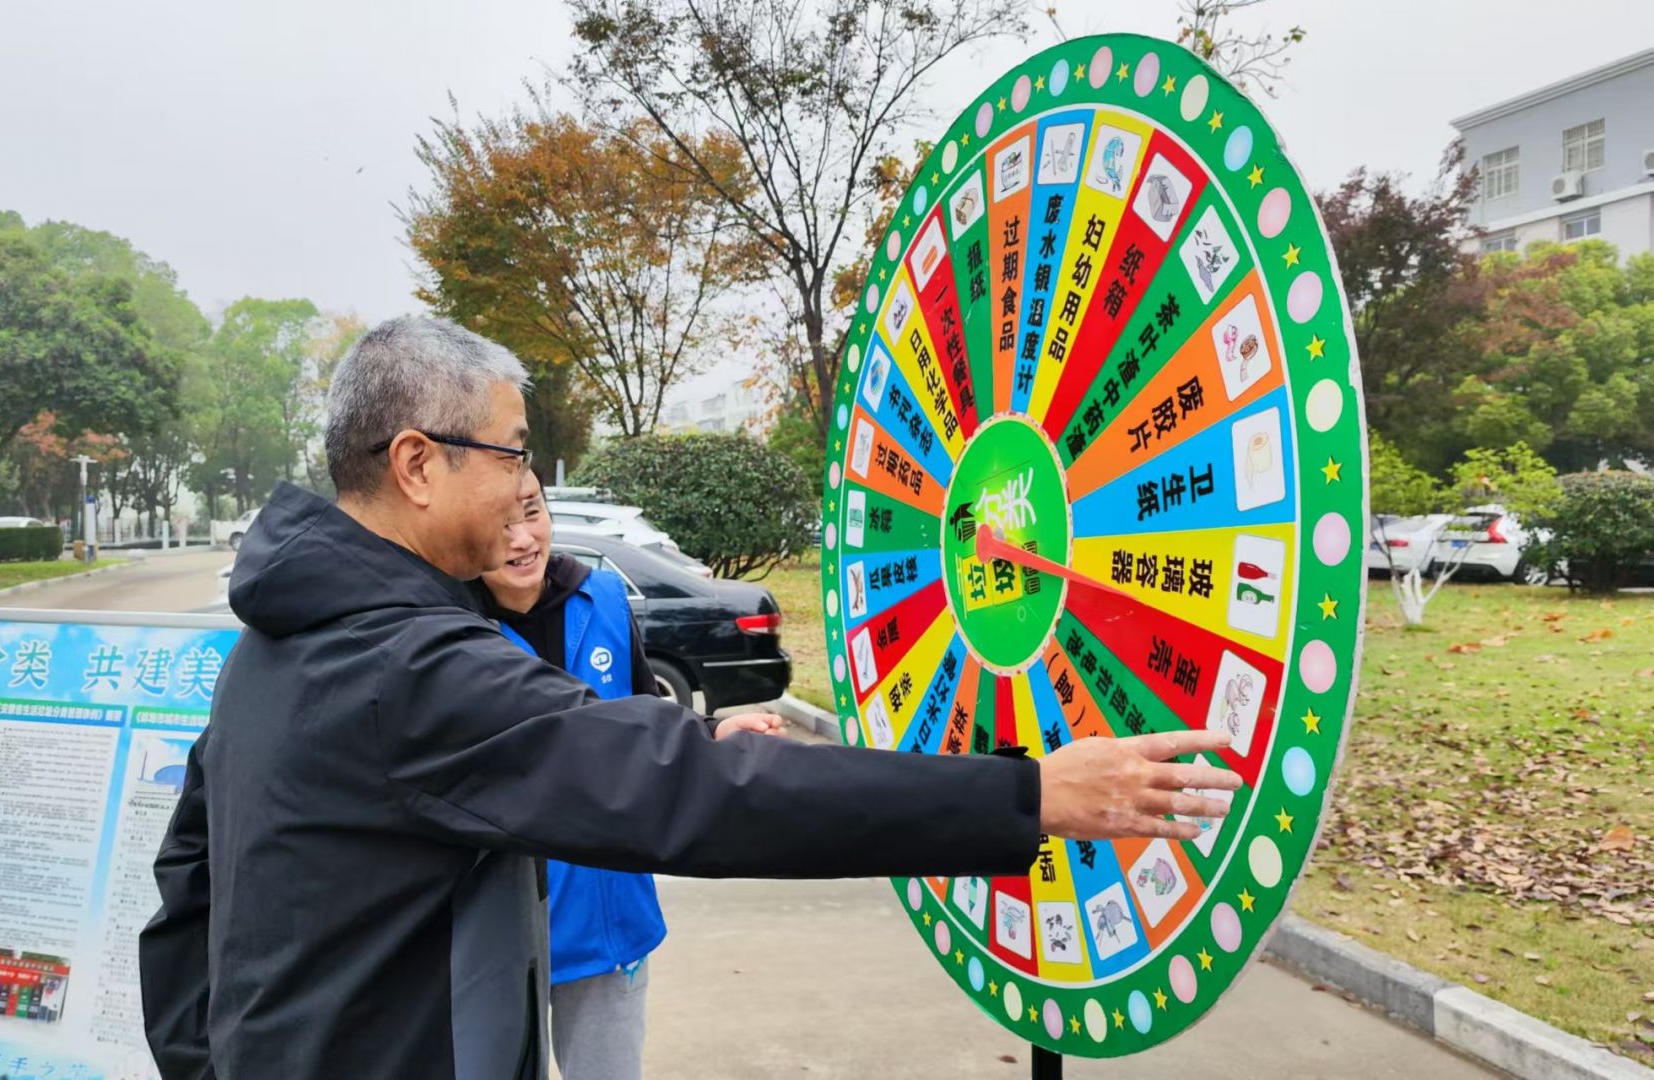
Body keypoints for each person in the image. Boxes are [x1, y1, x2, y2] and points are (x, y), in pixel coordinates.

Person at [140, 316, 1241, 1080]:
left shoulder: (279, 638)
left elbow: (187, 887)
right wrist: (1027, 796)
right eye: (510, 454)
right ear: (419, 464)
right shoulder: (405, 667)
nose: (525, 488)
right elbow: (697, 789)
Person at [474, 471, 779, 1080]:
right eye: (498, 523)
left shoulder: (603, 597)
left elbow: (646, 717)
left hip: (609, 924)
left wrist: (711, 733)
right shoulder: (448, 625)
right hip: (499, 940)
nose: (522, 538)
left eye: (531, 512)